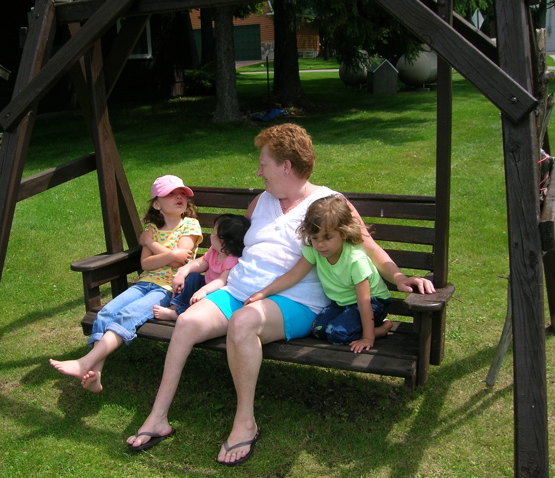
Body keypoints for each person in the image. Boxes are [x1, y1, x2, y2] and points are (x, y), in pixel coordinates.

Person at [126, 123, 435, 463]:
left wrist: (400, 276)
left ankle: (245, 423)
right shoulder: (261, 201)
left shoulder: (328, 203)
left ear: (285, 166)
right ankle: (157, 418)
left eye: (263, 164)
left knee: (244, 323)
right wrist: (201, 270)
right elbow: (235, 247)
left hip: (294, 300)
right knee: (186, 323)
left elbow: (368, 245)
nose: (258, 171)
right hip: (239, 290)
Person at [49, 175, 202, 393]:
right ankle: (96, 375)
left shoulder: (189, 225)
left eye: (182, 194)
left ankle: (85, 362)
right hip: (144, 283)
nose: (179, 197)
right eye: (171, 194)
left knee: (129, 314)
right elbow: (146, 264)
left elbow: (180, 260)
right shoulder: (151, 228)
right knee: (105, 312)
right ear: (157, 204)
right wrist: (167, 253)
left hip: (168, 289)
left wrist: (150, 244)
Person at [245, 194, 393, 353]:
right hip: (342, 303)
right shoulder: (314, 251)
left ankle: (381, 329)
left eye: (328, 237)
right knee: (317, 329)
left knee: (337, 333)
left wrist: (368, 338)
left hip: (372, 303)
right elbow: (294, 275)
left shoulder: (355, 259)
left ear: (343, 233)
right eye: (315, 238)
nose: (320, 244)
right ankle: (361, 326)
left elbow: (364, 302)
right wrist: (263, 293)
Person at [153, 214, 251, 321]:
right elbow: (200, 264)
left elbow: (221, 281)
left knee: (200, 302)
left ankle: (176, 314)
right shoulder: (214, 251)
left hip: (217, 293)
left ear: (221, 241)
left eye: (214, 232)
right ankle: (176, 305)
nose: (211, 234)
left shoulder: (232, 260)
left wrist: (204, 290)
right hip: (205, 284)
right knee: (193, 277)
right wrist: (183, 274)